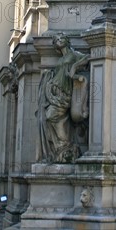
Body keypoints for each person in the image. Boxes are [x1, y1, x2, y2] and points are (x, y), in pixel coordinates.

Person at [37, 34, 89, 163]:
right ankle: (59, 146)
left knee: (50, 116)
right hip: (54, 92)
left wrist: (74, 67)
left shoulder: (73, 54)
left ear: (67, 41)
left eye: (61, 38)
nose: (59, 40)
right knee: (47, 118)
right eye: (56, 40)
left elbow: (88, 57)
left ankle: (65, 144)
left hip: (65, 93)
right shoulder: (61, 59)